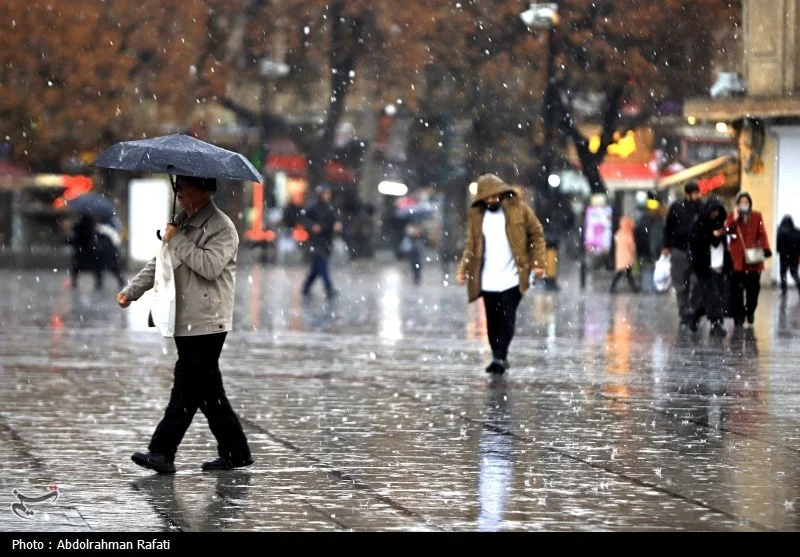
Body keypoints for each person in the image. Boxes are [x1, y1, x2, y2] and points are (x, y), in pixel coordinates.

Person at [117, 175, 253, 474]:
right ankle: (236, 451)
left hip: (207, 319)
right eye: (176, 187)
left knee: (187, 385)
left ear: (204, 190)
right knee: (207, 389)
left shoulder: (222, 228)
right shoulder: (181, 221)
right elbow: (161, 261)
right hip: (183, 316)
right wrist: (132, 290)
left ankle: (162, 451)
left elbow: (209, 266)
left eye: (184, 187)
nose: (178, 193)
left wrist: (177, 239)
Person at [455, 174, 546, 375]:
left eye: (494, 196)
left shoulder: (520, 210)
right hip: (487, 278)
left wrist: (538, 263)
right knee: (492, 319)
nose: (491, 200)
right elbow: (471, 245)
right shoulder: (477, 216)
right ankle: (498, 353)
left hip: (514, 276)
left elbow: (536, 234)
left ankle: (499, 356)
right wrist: (463, 269)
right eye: (487, 197)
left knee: (507, 316)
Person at [724, 192, 772, 327]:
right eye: (741, 202)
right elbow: (726, 229)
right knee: (736, 292)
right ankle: (738, 315)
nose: (744, 204)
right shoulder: (732, 217)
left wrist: (766, 248)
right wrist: (735, 217)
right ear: (737, 204)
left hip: (753, 261)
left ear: (750, 203)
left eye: (746, 202)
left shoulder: (757, 216)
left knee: (753, 291)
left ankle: (750, 311)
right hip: (737, 261)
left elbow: (762, 233)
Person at [687, 198, 732, 336]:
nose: (714, 215)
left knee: (710, 296)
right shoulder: (699, 224)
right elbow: (695, 241)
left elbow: (724, 243)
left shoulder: (721, 223)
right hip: (705, 266)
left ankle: (695, 315)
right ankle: (716, 323)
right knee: (714, 295)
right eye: (712, 212)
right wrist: (711, 235)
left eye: (717, 212)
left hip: (719, 265)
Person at [662, 181, 704, 325]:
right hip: (679, 249)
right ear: (687, 194)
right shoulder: (677, 207)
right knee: (681, 283)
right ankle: (684, 311)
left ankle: (692, 308)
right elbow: (668, 226)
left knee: (697, 282)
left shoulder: (702, 208)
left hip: (697, 250)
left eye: (698, 193)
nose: (698, 196)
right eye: (695, 193)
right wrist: (666, 245)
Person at [301, 184, 342, 299]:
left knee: (315, 269)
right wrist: (312, 226)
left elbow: (335, 217)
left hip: (326, 240)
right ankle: (329, 288)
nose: (327, 196)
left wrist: (337, 224)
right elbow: (304, 219)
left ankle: (306, 287)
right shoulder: (313, 207)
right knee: (322, 265)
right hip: (316, 241)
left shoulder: (330, 207)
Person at [610, 216, 640, 293]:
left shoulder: (619, 233)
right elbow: (632, 246)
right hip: (627, 256)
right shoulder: (628, 233)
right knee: (625, 273)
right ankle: (634, 289)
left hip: (621, 256)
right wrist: (634, 253)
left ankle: (634, 288)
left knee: (624, 273)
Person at [776, 215, 800, 296]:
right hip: (794, 256)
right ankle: (799, 287)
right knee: (794, 273)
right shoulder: (797, 232)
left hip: (783, 256)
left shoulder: (780, 231)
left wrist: (779, 250)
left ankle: (784, 291)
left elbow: (778, 244)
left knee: (783, 273)